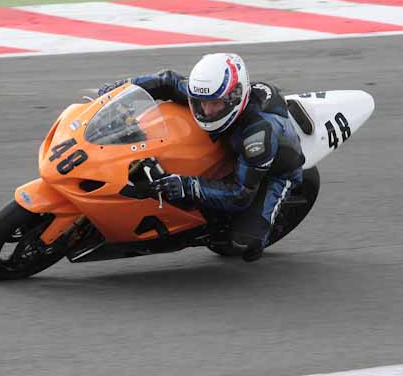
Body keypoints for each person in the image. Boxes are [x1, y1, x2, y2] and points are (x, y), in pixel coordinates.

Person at [98, 53, 304, 262]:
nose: (206, 110)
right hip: (236, 146)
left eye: (214, 103)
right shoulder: (211, 92)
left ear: (233, 98)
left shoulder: (258, 135)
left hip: (275, 172)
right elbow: (166, 81)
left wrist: (187, 186)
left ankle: (261, 226)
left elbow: (240, 194)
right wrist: (121, 89)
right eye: (200, 102)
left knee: (245, 243)